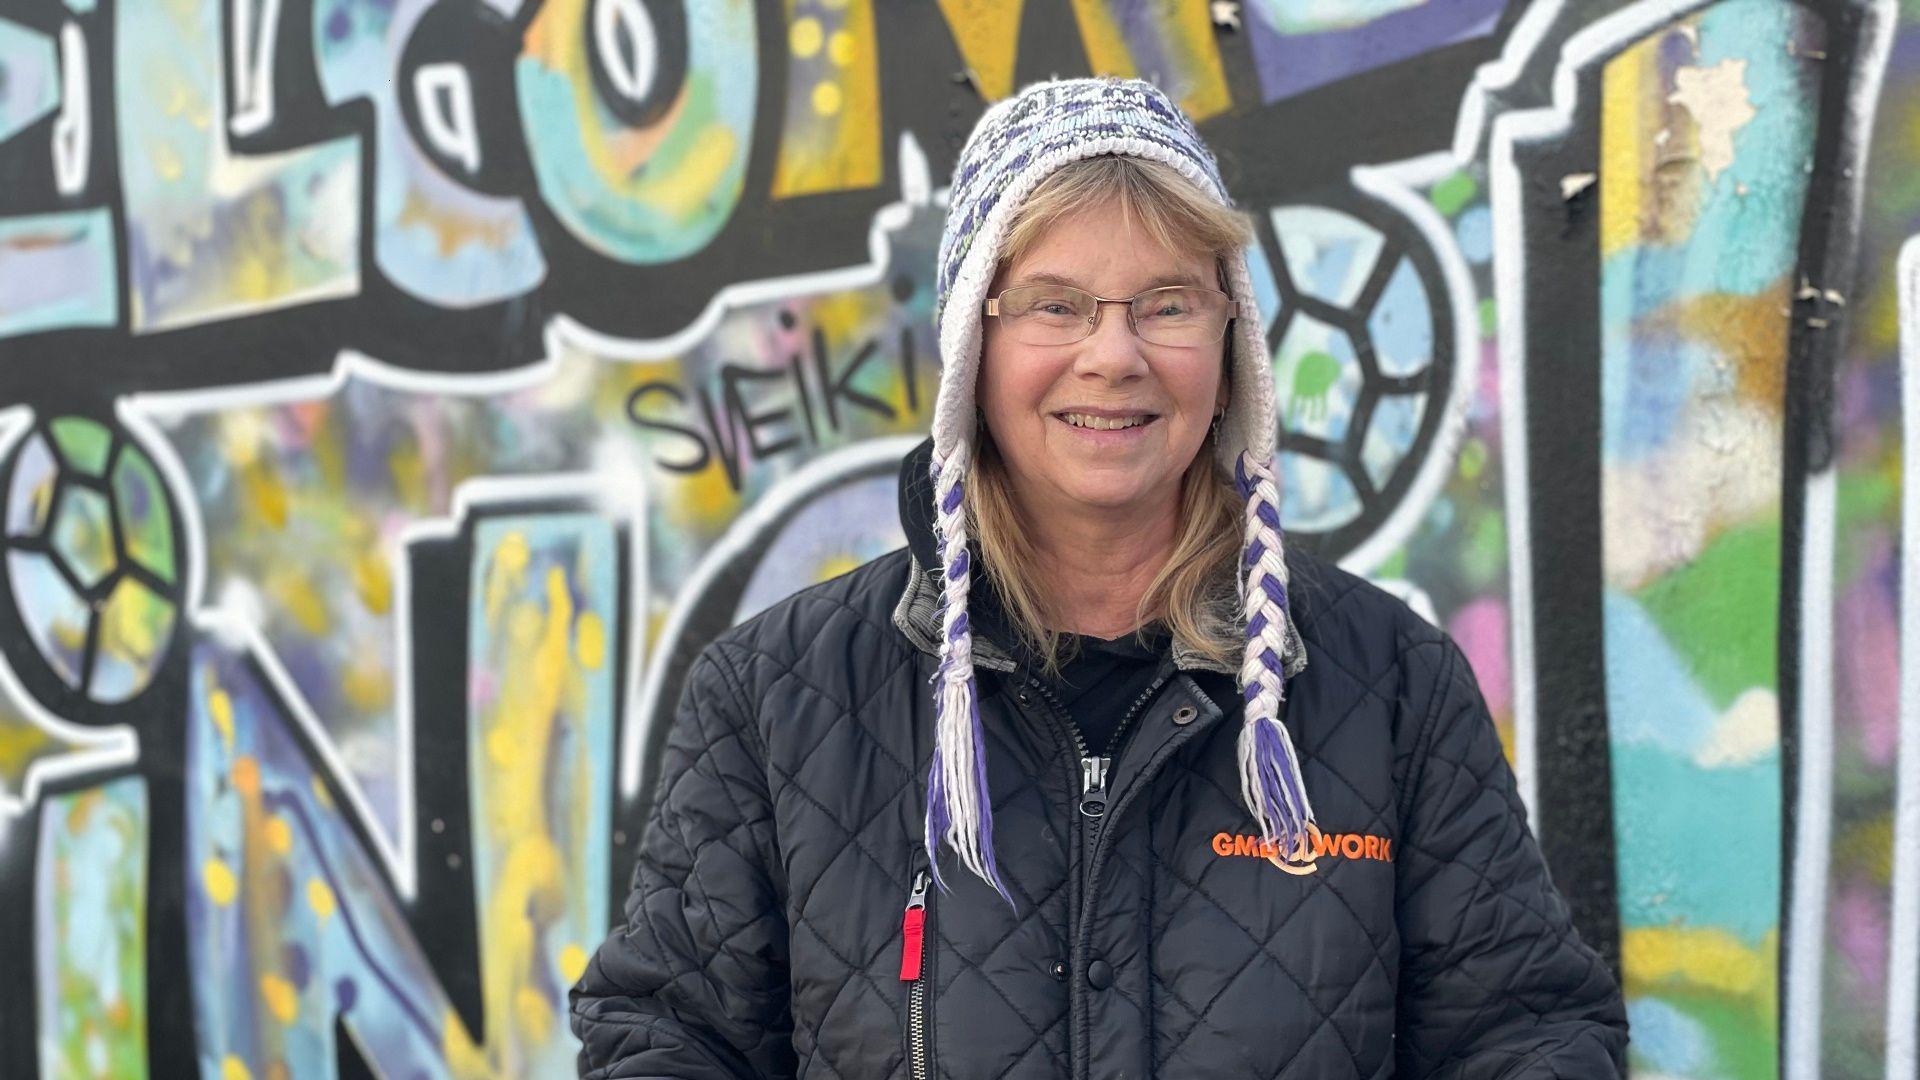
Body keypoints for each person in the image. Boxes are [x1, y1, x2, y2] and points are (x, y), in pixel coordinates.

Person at [573, 77, 1627, 1079]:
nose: (1113, 355)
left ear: (1230, 344)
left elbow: (1526, 1030)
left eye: (1165, 304)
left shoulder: (1388, 686)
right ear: (968, 348)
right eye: (1055, 305)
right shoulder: (778, 699)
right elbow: (668, 1037)